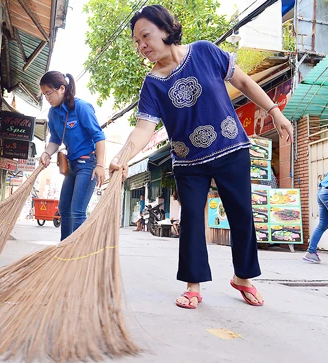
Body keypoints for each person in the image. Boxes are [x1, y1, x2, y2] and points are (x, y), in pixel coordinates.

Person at [109, 5, 293, 309]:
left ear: (166, 30)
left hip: (231, 148)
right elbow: (143, 128)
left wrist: (274, 111)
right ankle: (193, 285)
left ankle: (243, 278)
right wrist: (123, 156)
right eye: (137, 43)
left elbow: (243, 82)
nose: (142, 46)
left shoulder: (205, 51)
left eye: (146, 36)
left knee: (241, 215)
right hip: (188, 162)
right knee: (192, 220)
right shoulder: (152, 84)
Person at [38, 71, 106, 240]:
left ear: (61, 88)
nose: (47, 97)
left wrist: (100, 165)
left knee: (77, 210)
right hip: (72, 166)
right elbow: (55, 139)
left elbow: (99, 136)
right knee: (64, 208)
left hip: (88, 164)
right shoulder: (53, 113)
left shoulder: (81, 107)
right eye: (44, 94)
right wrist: (46, 153)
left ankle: (76, 252)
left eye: (49, 93)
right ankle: (64, 248)